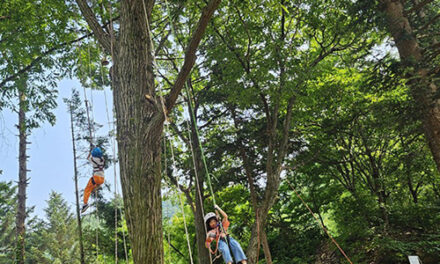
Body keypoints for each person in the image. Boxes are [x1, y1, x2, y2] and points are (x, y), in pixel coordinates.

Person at [81, 147, 105, 213]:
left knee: (87, 189)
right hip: (102, 179)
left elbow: (88, 157)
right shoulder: (102, 159)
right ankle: (97, 186)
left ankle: (85, 204)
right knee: (91, 187)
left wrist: (90, 151)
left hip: (96, 178)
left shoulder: (93, 159)